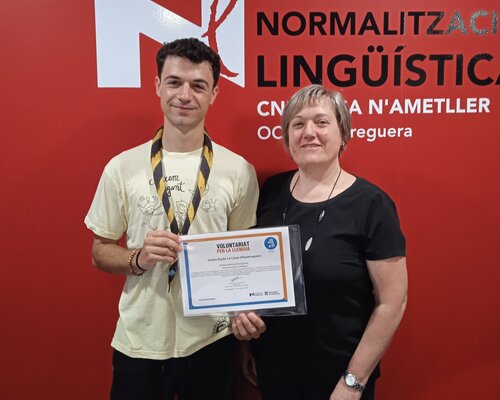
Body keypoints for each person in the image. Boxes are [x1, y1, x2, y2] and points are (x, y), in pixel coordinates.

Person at [85, 37, 261, 400]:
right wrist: (137, 258)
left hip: (212, 340)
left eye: (198, 85)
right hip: (140, 340)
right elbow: (100, 251)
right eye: (174, 82)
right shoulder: (122, 168)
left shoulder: (239, 171)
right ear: (157, 86)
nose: (184, 95)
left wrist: (245, 334)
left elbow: (244, 264)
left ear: (214, 93)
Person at [239, 84, 408, 400]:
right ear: (287, 137)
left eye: (321, 122)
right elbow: (251, 276)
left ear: (343, 134)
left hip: (339, 378)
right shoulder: (270, 192)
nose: (309, 132)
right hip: (274, 372)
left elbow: (392, 303)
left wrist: (353, 382)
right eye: (298, 124)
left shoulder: (372, 205)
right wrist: (246, 343)